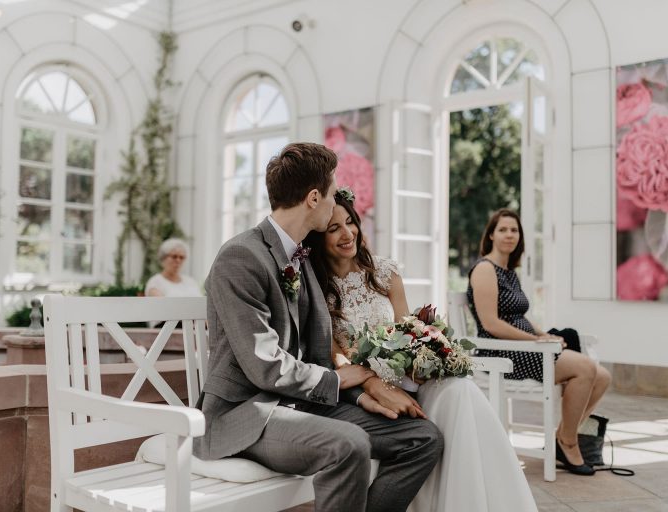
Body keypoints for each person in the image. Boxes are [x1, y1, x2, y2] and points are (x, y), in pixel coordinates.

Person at [195, 143, 443, 512]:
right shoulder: (241, 256)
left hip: (303, 404)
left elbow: (318, 353)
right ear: (314, 198)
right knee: (349, 444)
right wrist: (343, 381)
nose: (334, 203)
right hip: (248, 414)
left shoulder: (303, 258)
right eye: (331, 194)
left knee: (422, 438)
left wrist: (362, 394)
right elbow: (265, 365)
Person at [304, 190, 537, 512]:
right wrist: (374, 381)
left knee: (460, 390)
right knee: (452, 404)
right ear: (319, 238)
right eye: (334, 229)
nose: (348, 233)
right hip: (368, 384)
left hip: (409, 375)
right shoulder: (317, 289)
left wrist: (428, 355)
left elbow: (407, 329)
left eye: (350, 222)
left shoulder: (384, 272)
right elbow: (337, 357)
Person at [467, 208, 611, 476]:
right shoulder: (485, 269)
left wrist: (544, 335)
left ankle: (562, 437)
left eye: (514, 230)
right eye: (502, 229)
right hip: (503, 353)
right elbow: (491, 324)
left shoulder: (509, 272)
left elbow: (520, 316)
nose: (509, 235)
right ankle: (569, 443)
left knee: (602, 376)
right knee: (585, 368)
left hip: (526, 347)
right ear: (491, 235)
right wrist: (535, 340)